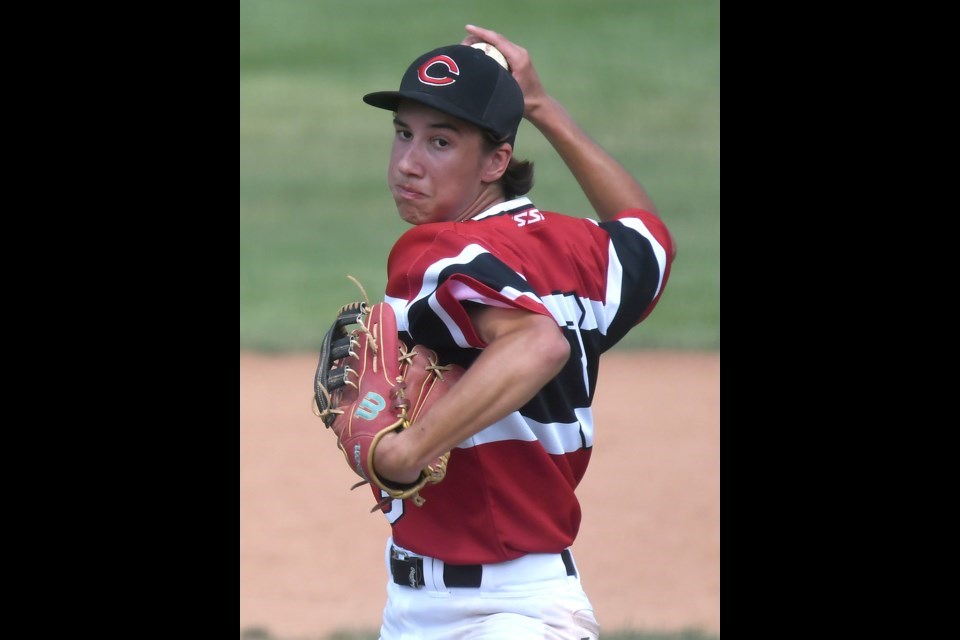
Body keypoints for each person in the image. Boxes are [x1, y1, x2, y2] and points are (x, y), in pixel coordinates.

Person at [357, 24, 676, 639]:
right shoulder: (582, 249)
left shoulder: (438, 249)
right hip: (494, 603)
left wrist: (406, 451)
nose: (408, 164)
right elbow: (647, 234)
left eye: (441, 143)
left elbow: (537, 342)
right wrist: (541, 106)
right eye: (403, 135)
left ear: (497, 160)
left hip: (505, 616)